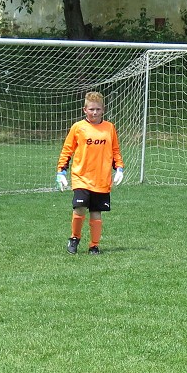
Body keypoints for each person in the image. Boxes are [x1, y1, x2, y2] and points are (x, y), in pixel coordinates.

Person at [56, 91, 124, 255]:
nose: (95, 113)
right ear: (84, 110)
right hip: (81, 177)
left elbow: (115, 151)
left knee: (96, 213)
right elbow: (67, 151)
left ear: (103, 110)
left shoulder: (109, 128)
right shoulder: (78, 128)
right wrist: (61, 172)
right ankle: (74, 238)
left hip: (101, 180)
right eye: (91, 109)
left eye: (98, 109)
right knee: (79, 207)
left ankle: (94, 246)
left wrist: (119, 168)